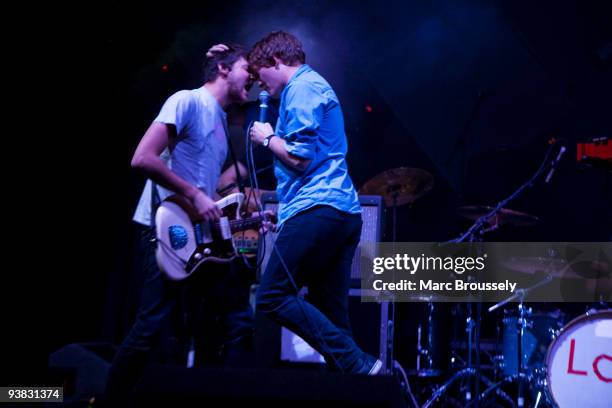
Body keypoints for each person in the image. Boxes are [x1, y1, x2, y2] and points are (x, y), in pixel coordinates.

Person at [104, 44, 254, 407]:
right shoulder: (186, 100)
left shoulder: (221, 121)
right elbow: (142, 158)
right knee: (152, 325)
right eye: (246, 67)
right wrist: (194, 195)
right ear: (223, 69)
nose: (251, 76)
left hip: (199, 238)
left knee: (226, 322)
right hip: (165, 228)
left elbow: (208, 192)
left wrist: (246, 217)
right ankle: (107, 400)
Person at [248, 31, 382, 375]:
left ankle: (357, 363)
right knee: (332, 313)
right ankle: (363, 382)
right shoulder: (307, 87)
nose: (261, 87)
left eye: (260, 74)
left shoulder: (302, 88)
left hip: (319, 207)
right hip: (337, 211)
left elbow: (300, 158)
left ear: (275, 61)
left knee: (271, 296)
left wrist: (267, 138)